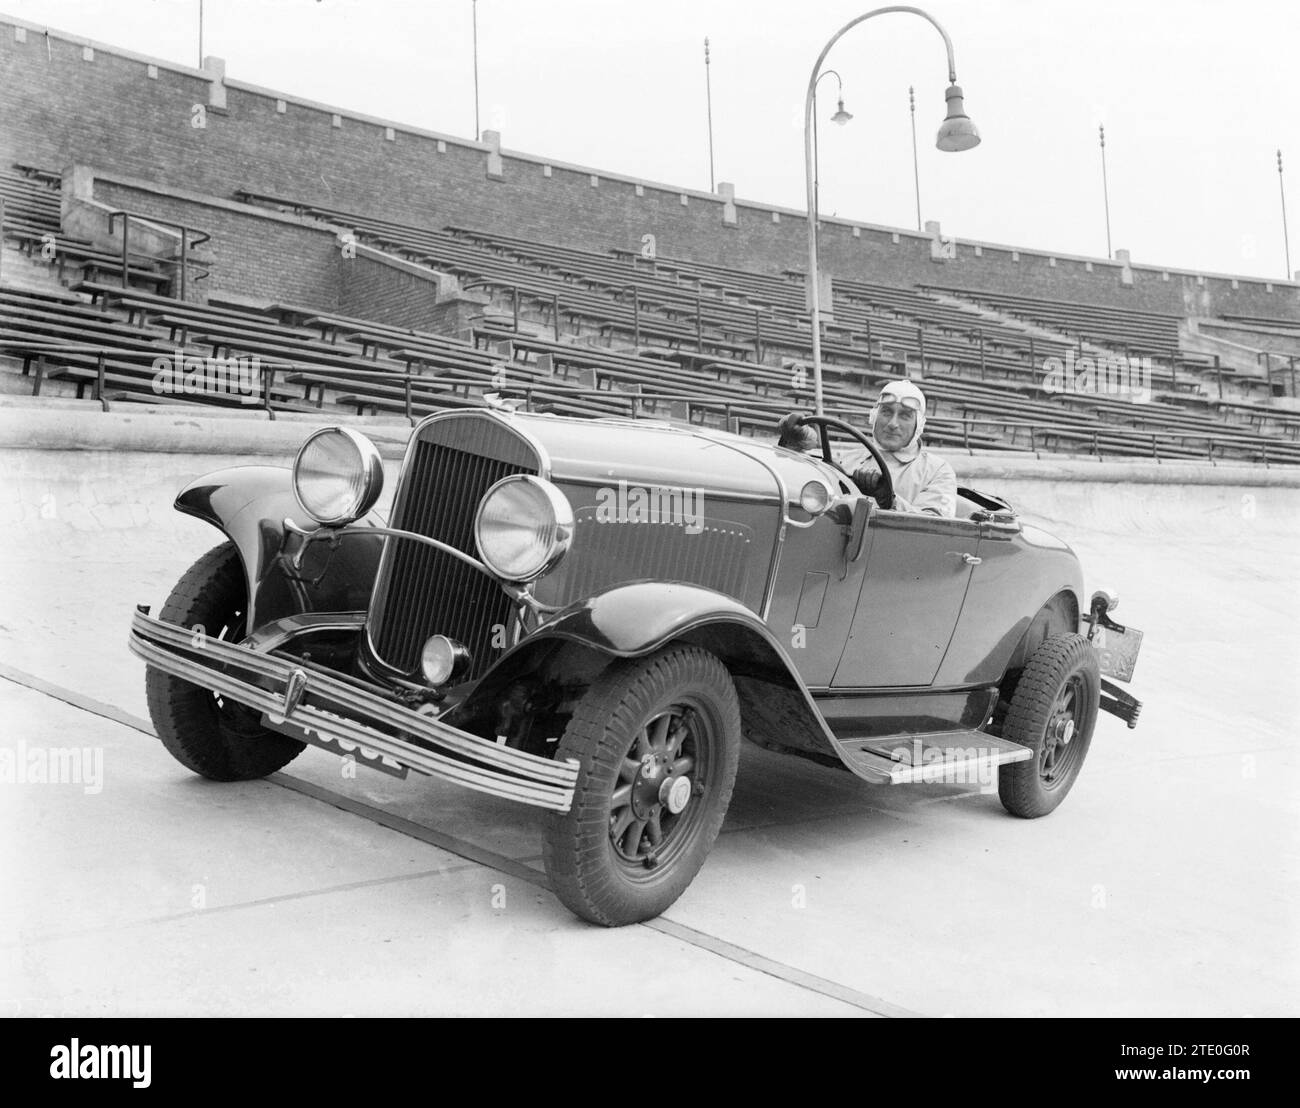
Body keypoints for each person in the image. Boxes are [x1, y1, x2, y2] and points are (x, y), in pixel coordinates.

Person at [776, 379, 958, 518]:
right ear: (874, 416)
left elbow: (936, 527)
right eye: (886, 412)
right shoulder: (845, 460)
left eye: (905, 416)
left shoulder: (937, 471)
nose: (893, 424)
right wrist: (794, 445)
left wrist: (890, 501)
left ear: (919, 425)